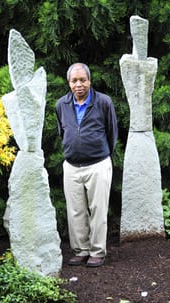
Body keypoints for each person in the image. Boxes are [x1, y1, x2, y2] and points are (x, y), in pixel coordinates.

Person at [56, 63, 118, 267]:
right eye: (74, 81)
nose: (79, 84)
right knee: (75, 212)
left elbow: (112, 134)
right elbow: (63, 132)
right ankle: (81, 250)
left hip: (98, 164)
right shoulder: (61, 105)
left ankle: (97, 251)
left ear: (89, 81)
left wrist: (101, 154)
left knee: (98, 210)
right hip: (72, 166)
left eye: (83, 80)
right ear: (69, 83)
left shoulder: (104, 102)